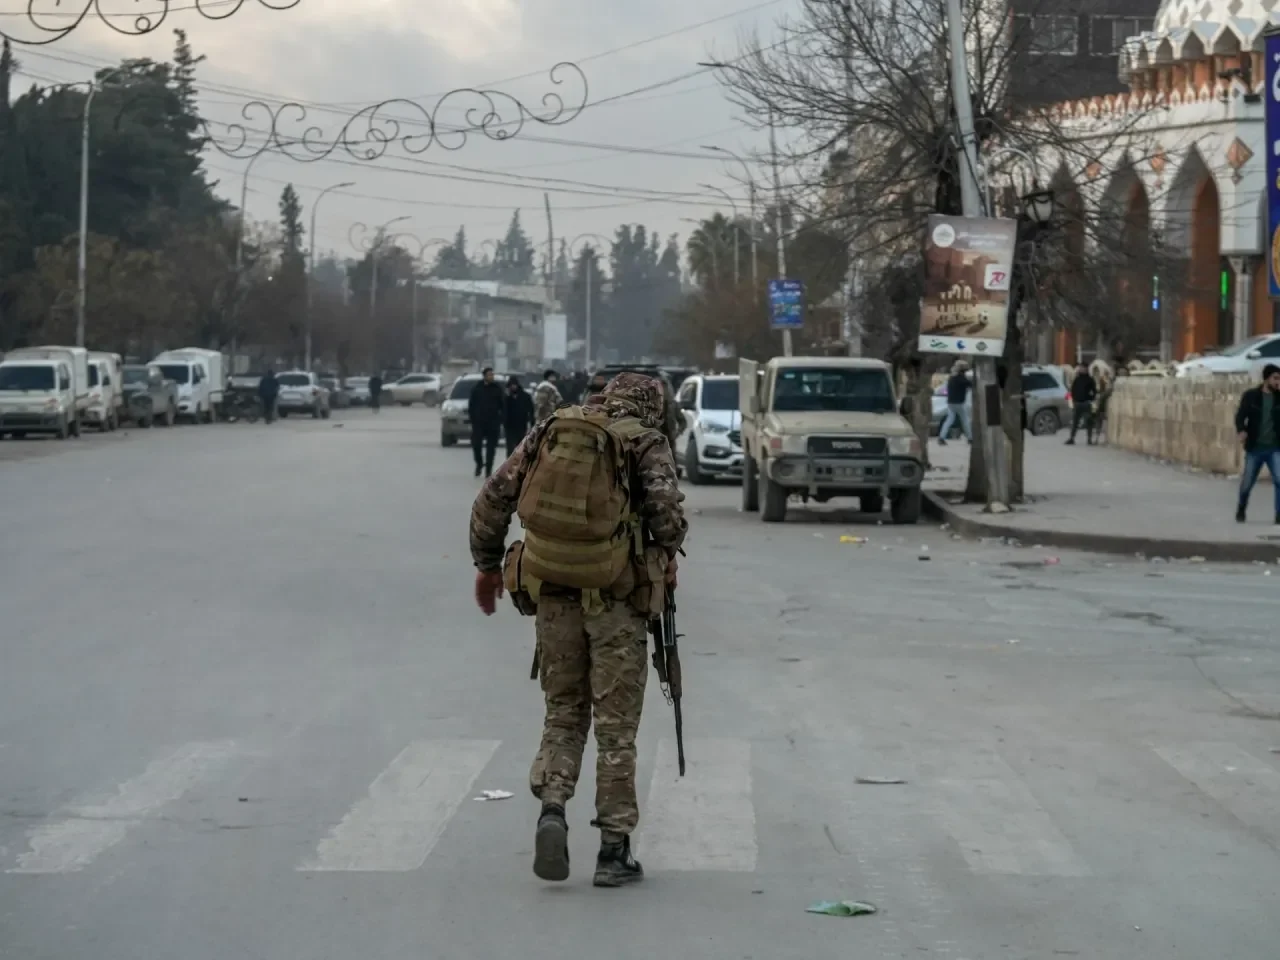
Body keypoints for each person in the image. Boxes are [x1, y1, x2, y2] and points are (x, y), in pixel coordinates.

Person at [469, 373, 687, 888]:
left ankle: (552, 807)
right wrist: (665, 552)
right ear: (651, 407)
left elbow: (492, 499)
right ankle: (614, 850)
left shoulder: (552, 429)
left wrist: (487, 566)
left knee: (564, 713)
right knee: (616, 728)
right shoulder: (646, 441)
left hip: (554, 597)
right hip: (617, 605)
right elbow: (666, 520)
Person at [1234, 363, 1280, 523]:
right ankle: (1241, 507)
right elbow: (1240, 415)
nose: (1278, 382)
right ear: (1266, 379)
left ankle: (1278, 515)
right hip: (1255, 448)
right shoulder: (1251, 396)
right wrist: (1241, 430)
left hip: (1275, 448)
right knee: (1247, 483)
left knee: (1279, 480)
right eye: (1275, 378)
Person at [468, 366, 505, 477]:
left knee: (491, 448)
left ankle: (488, 469)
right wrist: (473, 419)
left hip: (493, 423)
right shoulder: (477, 388)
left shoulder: (497, 389)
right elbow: (471, 406)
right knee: (476, 445)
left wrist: (501, 419)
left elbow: (503, 406)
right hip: (479, 423)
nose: (491, 377)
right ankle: (479, 463)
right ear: (484, 376)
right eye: (489, 375)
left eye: (492, 375)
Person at [937, 363, 971, 444]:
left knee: (949, 420)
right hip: (959, 403)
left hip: (950, 402)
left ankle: (941, 437)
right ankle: (970, 437)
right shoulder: (962, 379)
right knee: (965, 420)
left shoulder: (951, 378)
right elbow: (970, 385)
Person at [1065, 363, 1097, 445]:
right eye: (1080, 368)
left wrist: (1090, 399)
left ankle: (1089, 439)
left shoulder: (1090, 379)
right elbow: (1073, 390)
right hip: (1077, 403)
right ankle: (1072, 438)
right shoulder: (1077, 379)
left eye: (1082, 368)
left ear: (1086, 369)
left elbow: (1094, 391)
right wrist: (1073, 400)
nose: (1080, 369)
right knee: (1075, 422)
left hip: (1086, 403)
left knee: (1088, 421)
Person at [504, 375, 534, 458]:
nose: (513, 387)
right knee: (510, 449)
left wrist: (531, 423)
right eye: (511, 385)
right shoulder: (506, 398)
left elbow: (531, 410)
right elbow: (503, 411)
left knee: (521, 448)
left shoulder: (525, 396)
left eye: (514, 385)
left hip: (522, 425)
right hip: (509, 426)